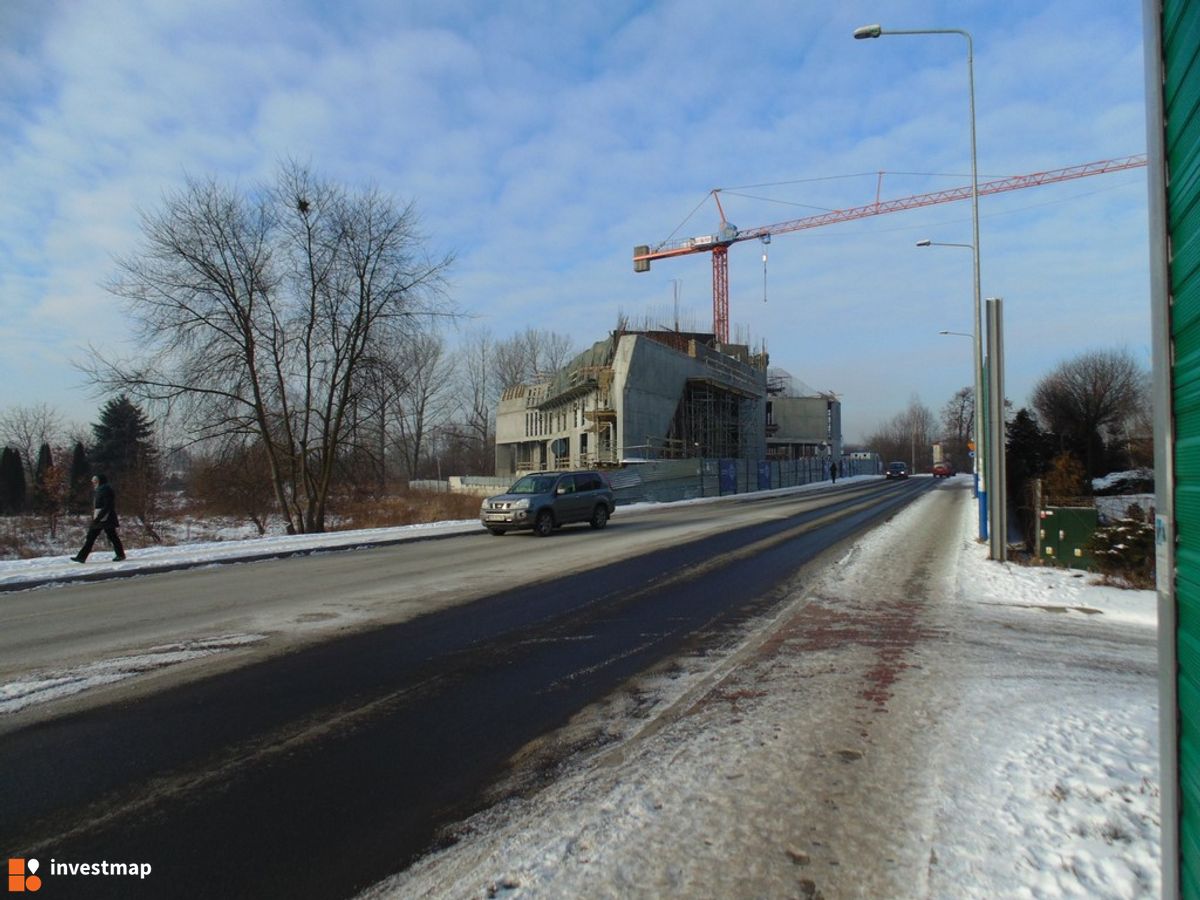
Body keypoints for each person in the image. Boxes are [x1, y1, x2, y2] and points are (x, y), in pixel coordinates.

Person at [71, 473, 126, 562]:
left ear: (100, 481)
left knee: (111, 536)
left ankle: (120, 555)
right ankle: (81, 557)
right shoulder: (99, 490)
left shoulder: (106, 490)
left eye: (95, 481)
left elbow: (107, 505)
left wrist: (98, 517)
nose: (94, 483)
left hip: (106, 518)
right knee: (92, 536)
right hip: (100, 517)